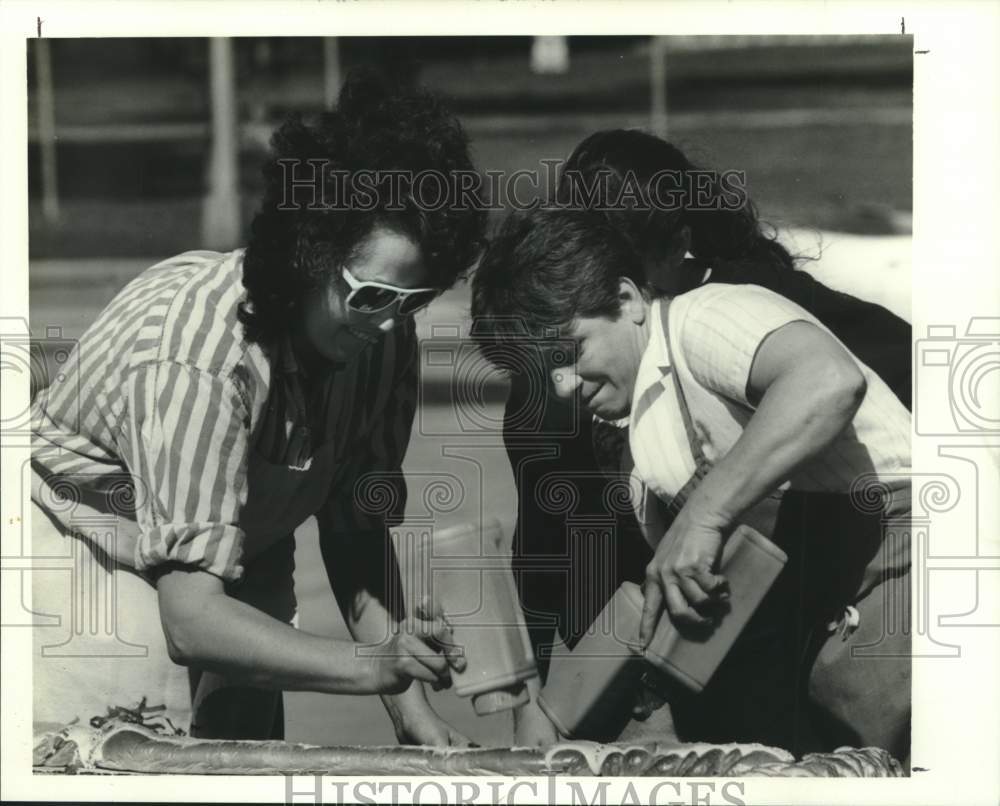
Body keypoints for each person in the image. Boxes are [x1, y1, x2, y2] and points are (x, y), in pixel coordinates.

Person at [30, 71, 488, 744]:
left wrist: (413, 711)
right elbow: (191, 623)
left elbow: (355, 530)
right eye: (372, 297)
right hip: (90, 570)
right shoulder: (198, 358)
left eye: (413, 302)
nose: (391, 324)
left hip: (234, 570)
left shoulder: (385, 340)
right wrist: (369, 663)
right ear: (309, 257)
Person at [490, 131, 912, 748]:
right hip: (762, 615)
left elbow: (829, 378)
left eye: (630, 270)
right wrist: (544, 703)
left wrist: (704, 518)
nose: (561, 383)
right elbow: (562, 551)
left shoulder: (717, 309)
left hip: (886, 570)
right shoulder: (607, 409)